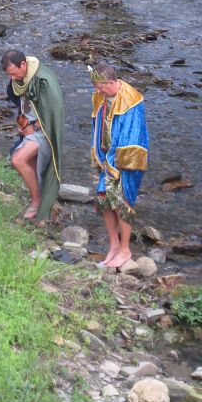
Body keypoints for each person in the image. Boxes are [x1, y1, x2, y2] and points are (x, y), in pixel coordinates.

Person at [89, 62, 149, 269]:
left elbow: (131, 137)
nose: (97, 91)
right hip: (108, 159)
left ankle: (125, 250)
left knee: (121, 202)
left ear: (112, 82)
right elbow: (98, 124)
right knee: (103, 199)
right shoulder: (101, 96)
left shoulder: (132, 102)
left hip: (126, 160)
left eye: (101, 86)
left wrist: (113, 163)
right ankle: (113, 245)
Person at [1, 50, 64, 221]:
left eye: (14, 74)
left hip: (44, 132)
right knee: (31, 164)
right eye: (9, 75)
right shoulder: (18, 80)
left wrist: (33, 127)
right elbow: (22, 105)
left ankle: (37, 202)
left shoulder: (43, 80)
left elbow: (53, 113)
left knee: (18, 159)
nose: (13, 78)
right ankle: (41, 203)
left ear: (23, 65)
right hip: (29, 129)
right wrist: (21, 124)